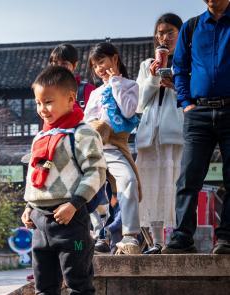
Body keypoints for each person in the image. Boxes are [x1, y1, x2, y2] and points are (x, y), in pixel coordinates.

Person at [20, 66, 106, 295]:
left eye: (48, 102)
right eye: (38, 103)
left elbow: (96, 172)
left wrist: (75, 203)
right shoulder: (40, 136)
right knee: (44, 283)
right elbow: (33, 177)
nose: (42, 109)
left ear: (71, 99)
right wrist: (29, 206)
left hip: (70, 217)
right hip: (41, 222)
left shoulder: (82, 133)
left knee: (78, 281)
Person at [164, 0, 230, 254]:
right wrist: (185, 102)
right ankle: (182, 235)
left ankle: (226, 237)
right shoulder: (192, 27)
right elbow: (180, 68)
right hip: (198, 112)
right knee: (189, 176)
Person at [84, 42, 142, 255]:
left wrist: (115, 82)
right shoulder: (95, 93)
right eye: (94, 65)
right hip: (94, 149)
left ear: (114, 59)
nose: (98, 68)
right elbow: (86, 120)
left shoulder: (130, 85)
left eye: (101, 61)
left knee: (128, 180)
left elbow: (128, 112)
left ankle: (130, 236)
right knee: (85, 189)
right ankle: (97, 235)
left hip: (116, 147)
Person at [135, 13, 185, 254]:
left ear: (180, 34)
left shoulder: (188, 60)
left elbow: (194, 96)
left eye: (170, 32)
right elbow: (138, 103)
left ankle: (179, 237)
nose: (164, 37)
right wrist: (153, 78)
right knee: (149, 186)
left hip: (174, 132)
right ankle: (156, 241)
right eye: (161, 33)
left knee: (175, 184)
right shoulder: (146, 64)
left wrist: (176, 84)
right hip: (149, 135)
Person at [49, 43, 96, 109]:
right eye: (55, 63)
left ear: (75, 65)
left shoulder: (88, 90)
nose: (59, 67)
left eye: (64, 63)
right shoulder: (47, 91)